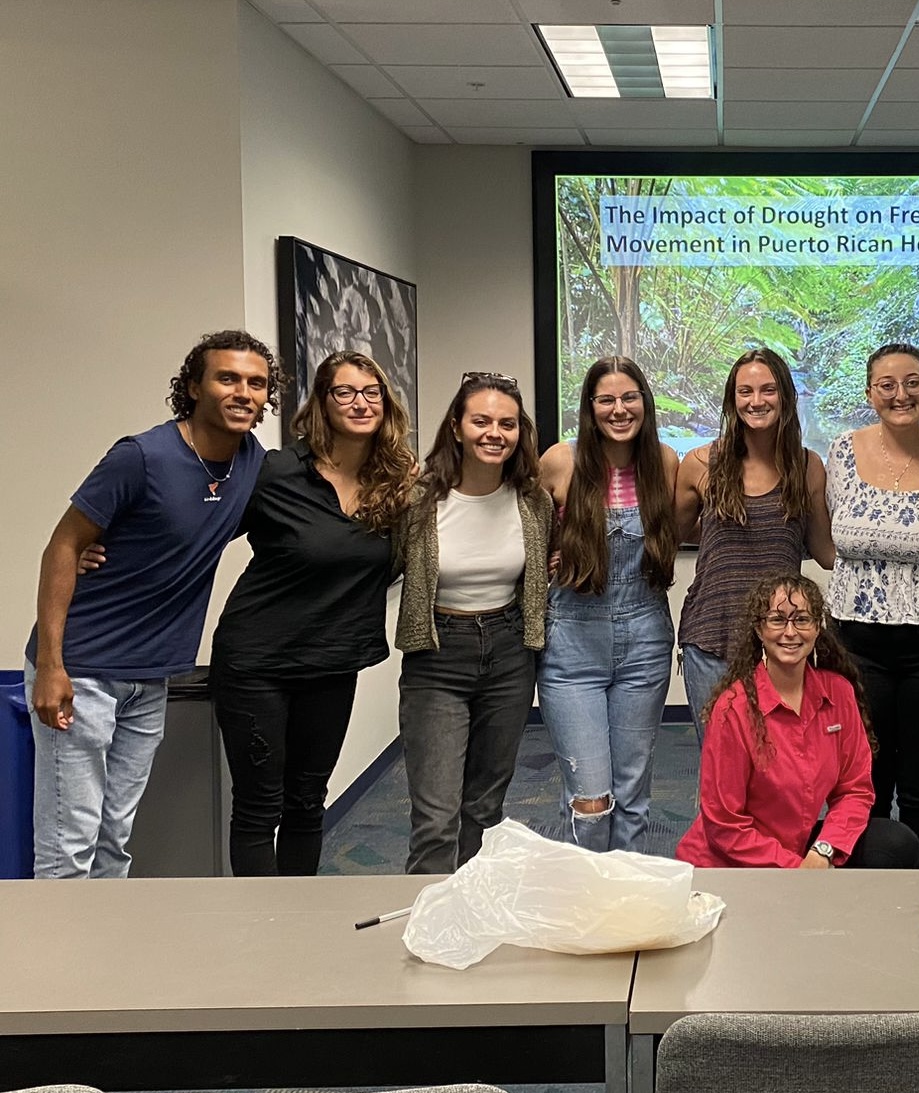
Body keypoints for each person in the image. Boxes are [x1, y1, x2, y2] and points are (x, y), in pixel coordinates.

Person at [25, 330, 275, 878]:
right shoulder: (141, 457)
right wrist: (50, 665)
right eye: (227, 378)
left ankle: (103, 955)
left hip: (153, 675)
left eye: (256, 383)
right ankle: (58, 963)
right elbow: (62, 545)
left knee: (115, 836)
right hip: (84, 668)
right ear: (193, 386)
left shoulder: (252, 463)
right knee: (70, 843)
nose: (243, 392)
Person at [210, 350, 416, 876]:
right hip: (257, 662)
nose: (360, 402)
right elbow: (203, 527)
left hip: (332, 661)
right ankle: (262, 935)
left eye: (371, 392)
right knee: (259, 808)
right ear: (322, 404)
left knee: (307, 801)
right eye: (344, 392)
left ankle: (298, 927)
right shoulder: (276, 472)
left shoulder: (396, 486)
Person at [396, 372, 553, 874]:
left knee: (484, 810)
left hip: (508, 653)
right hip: (439, 655)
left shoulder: (533, 501)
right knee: (437, 818)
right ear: (457, 427)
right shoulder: (418, 498)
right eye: (481, 420)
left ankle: (472, 915)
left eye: (507, 423)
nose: (495, 433)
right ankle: (425, 926)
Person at [826, 343, 919, 868]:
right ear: (870, 394)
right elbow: (830, 538)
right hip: (854, 645)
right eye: (886, 384)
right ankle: (863, 904)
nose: (900, 394)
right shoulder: (841, 453)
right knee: (863, 783)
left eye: (913, 381)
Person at [676, 574, 919, 869]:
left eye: (802, 620)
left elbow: (855, 789)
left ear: (817, 627)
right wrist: (797, 869)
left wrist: (824, 850)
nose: (790, 632)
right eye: (777, 620)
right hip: (731, 862)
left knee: (896, 843)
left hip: (802, 849)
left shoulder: (838, 692)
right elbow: (724, 824)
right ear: (759, 629)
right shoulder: (733, 709)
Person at [538, 357, 680, 853]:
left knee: (633, 796)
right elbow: (528, 541)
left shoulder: (664, 461)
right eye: (606, 399)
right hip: (573, 643)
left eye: (629, 397)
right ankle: (584, 915)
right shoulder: (561, 460)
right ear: (590, 406)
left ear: (644, 402)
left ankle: (628, 915)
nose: (619, 409)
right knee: (590, 800)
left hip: (646, 639)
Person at [674, 348, 834, 745]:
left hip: (783, 638)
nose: (756, 401)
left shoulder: (807, 465)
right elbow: (670, 535)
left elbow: (825, 550)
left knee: (781, 767)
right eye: (745, 391)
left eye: (768, 390)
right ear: (732, 400)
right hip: (712, 635)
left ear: (785, 397)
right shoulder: (700, 464)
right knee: (720, 770)